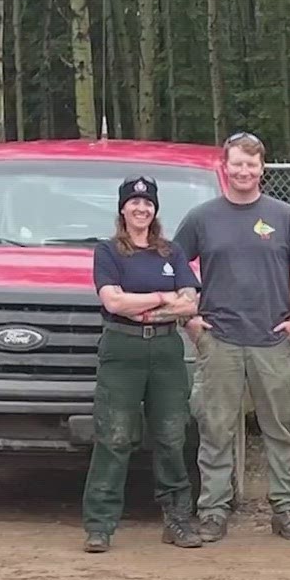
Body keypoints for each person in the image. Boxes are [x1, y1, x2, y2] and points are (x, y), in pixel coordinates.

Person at [177, 131, 290, 543]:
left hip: (271, 339)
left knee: (281, 429)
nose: (244, 171)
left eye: (251, 164)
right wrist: (189, 318)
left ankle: (287, 510)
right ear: (225, 167)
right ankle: (213, 509)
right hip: (219, 339)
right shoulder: (203, 217)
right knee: (216, 427)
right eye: (237, 163)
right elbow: (173, 264)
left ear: (263, 168)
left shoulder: (283, 217)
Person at [80, 176, 204, 553]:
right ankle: (100, 525)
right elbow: (113, 303)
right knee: (114, 437)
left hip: (166, 351)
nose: (141, 209)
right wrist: (160, 297)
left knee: (171, 436)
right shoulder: (108, 252)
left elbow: (190, 304)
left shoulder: (170, 253)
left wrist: (144, 307)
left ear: (155, 210)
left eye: (147, 203)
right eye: (134, 203)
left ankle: (178, 520)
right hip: (122, 350)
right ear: (122, 209)